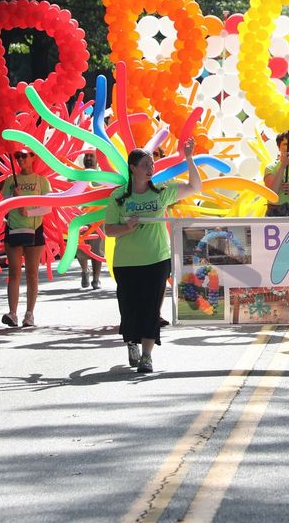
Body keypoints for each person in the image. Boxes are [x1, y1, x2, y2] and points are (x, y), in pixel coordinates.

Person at [103, 142, 201, 373]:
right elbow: (108, 230)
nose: (151, 168)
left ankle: (147, 356)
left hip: (157, 259)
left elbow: (195, 187)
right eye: (146, 165)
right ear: (133, 168)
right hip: (126, 263)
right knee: (129, 309)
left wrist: (189, 157)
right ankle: (131, 342)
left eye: (152, 164)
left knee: (151, 310)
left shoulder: (161, 192)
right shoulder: (118, 197)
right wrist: (126, 227)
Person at [0, 149, 51, 328]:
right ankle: (12, 313)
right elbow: (2, 205)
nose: (20, 159)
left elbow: (47, 207)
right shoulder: (9, 182)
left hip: (35, 229)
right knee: (14, 272)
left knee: (32, 274)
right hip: (13, 228)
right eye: (17, 156)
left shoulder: (42, 181)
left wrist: (29, 211)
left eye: (24, 155)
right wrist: (13, 197)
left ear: (33, 157)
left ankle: (29, 315)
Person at [79, 152, 104, 290]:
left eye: (91, 156)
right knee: (81, 249)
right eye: (86, 156)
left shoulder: (103, 176)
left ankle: (96, 279)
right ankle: (84, 271)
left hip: (98, 218)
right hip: (80, 217)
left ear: (97, 159)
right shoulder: (76, 175)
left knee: (96, 249)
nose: (88, 158)